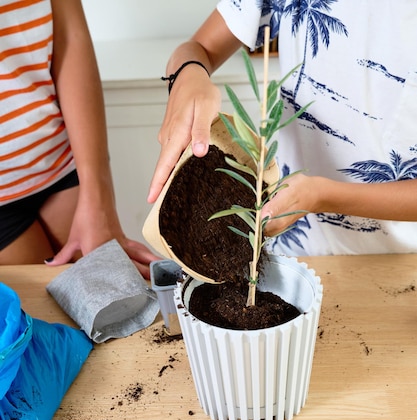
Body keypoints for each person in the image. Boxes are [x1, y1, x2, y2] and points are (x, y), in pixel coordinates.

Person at [148, 1, 417, 256]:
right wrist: (189, 73)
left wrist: (320, 196)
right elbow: (196, 48)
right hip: (288, 249)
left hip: (402, 262)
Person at [0, 0, 158, 279]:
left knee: (116, 301)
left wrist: (98, 198)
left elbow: (70, 36)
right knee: (36, 319)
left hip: (62, 159)